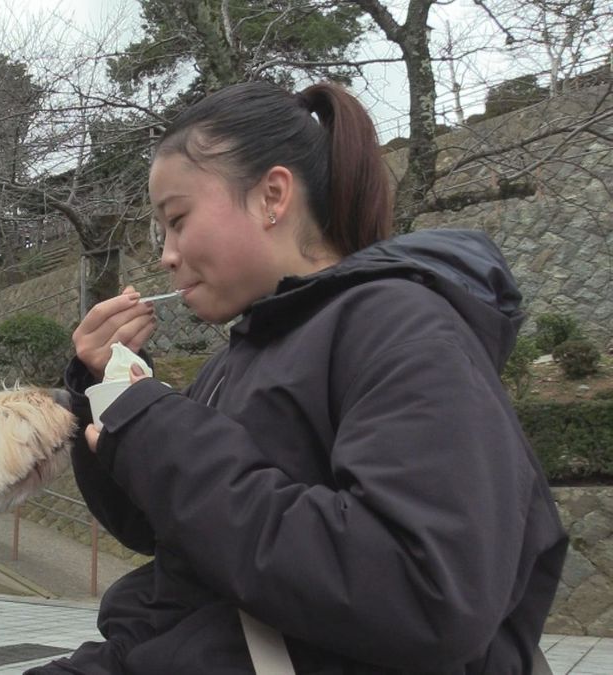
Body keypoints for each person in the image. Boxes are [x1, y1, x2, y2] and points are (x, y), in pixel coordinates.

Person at [33, 82, 568, 674]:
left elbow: (425, 593)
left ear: (272, 196)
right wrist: (103, 390)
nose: (166, 255)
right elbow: (160, 527)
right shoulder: (242, 354)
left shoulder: (402, 326)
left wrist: (155, 426)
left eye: (178, 220)